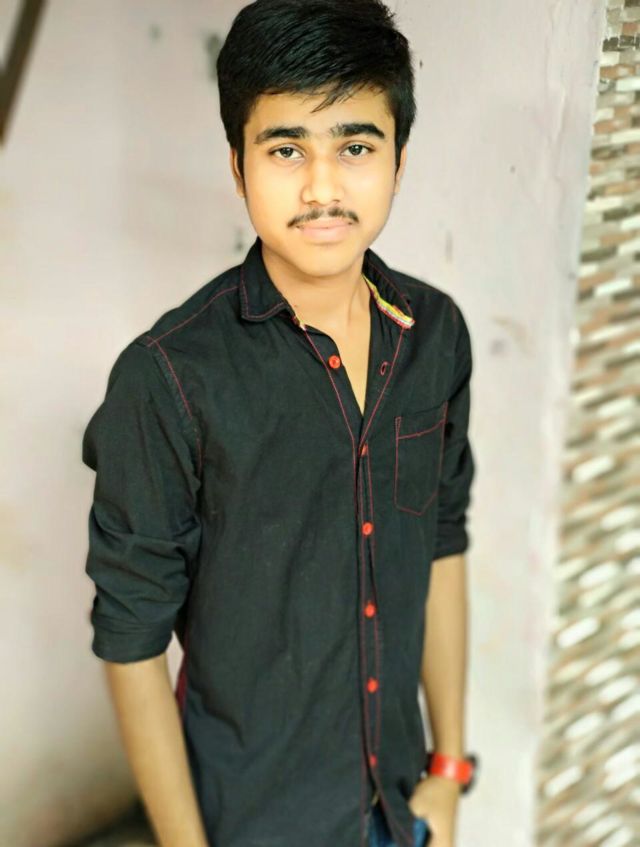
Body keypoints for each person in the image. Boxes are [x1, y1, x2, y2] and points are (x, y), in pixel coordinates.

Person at [81, 1, 477, 846]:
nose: (322, 188)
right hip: (250, 822)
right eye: (286, 148)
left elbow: (443, 538)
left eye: (356, 147)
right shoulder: (167, 378)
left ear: (399, 159)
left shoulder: (434, 334)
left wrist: (447, 768)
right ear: (238, 165)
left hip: (401, 805)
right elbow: (131, 639)